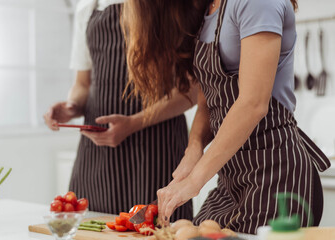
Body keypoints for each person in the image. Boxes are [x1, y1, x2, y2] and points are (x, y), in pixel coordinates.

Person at [122, 0, 331, 234]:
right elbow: (207, 102)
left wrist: (194, 181)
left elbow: (253, 104)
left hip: (276, 173)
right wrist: (194, 149)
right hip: (231, 178)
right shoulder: (207, 9)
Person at [44, 0, 199, 220]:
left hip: (156, 150)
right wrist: (70, 107)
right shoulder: (87, 6)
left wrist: (135, 122)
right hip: (97, 154)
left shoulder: (172, 5)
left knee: (158, 229)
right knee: (92, 229)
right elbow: (83, 83)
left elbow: (191, 91)